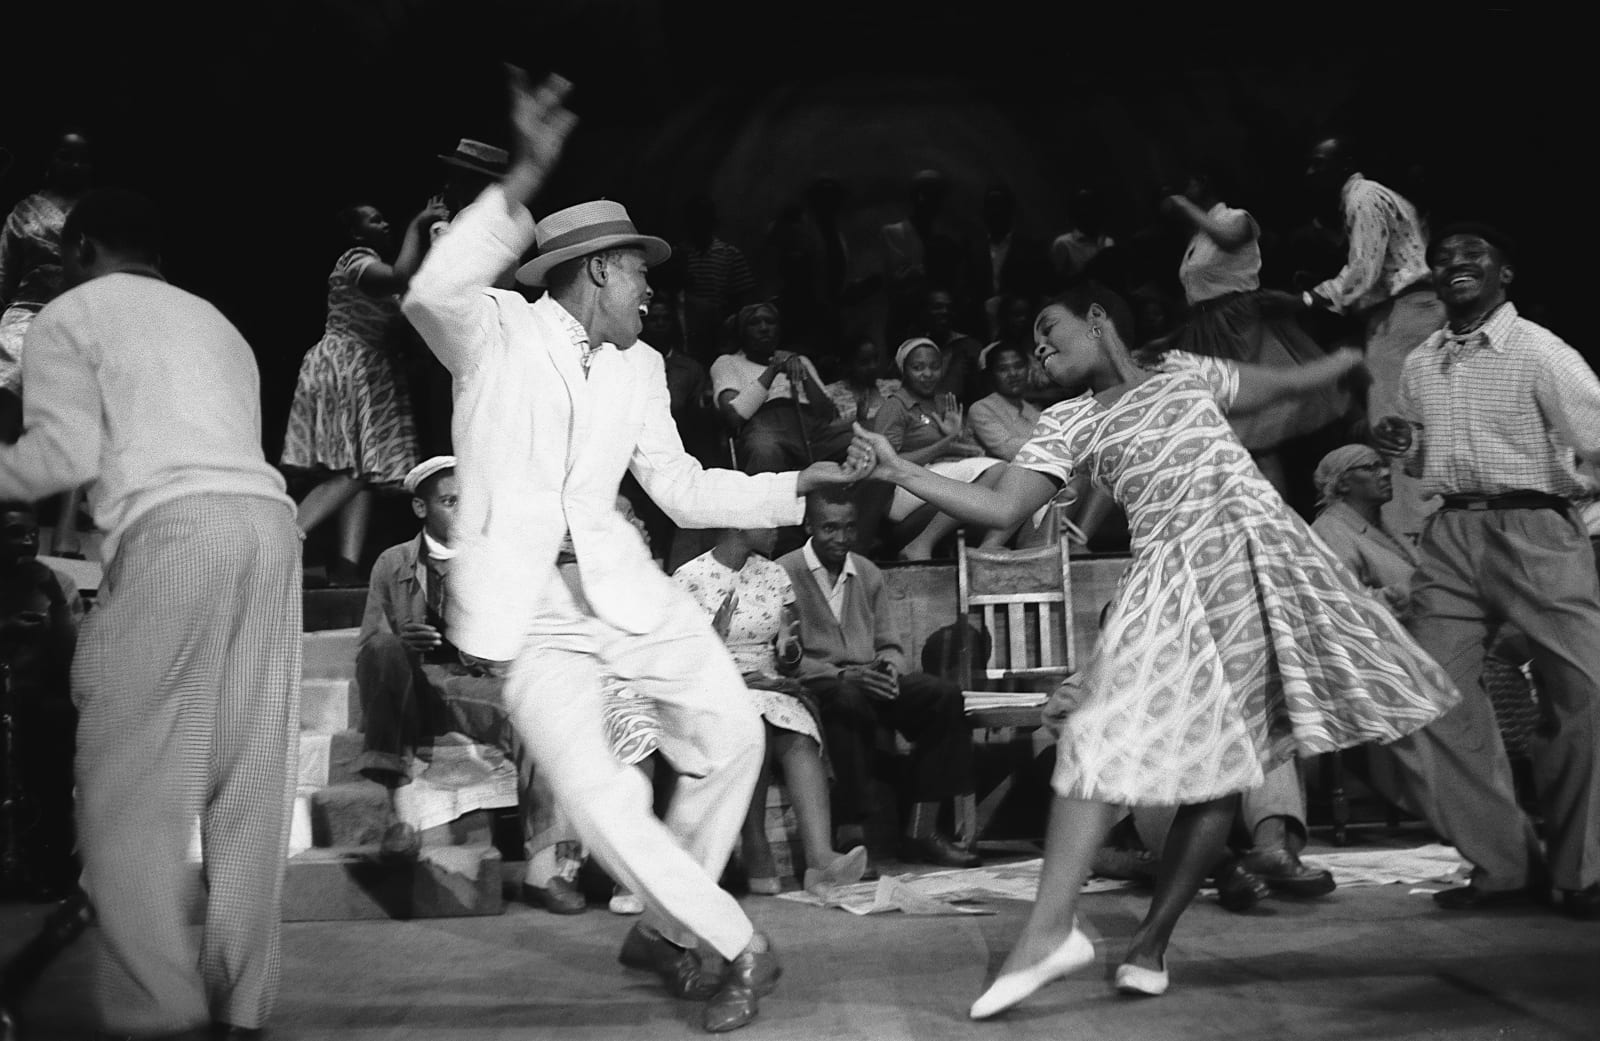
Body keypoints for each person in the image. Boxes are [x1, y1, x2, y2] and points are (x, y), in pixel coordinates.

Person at [400, 69, 871, 1035]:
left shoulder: (643, 366)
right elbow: (428, 290)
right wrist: (527, 173)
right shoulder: (492, 330)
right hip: (530, 613)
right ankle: (733, 941)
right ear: (598, 269)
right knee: (603, 792)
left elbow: (681, 485)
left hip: (627, 587)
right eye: (641, 271)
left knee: (733, 737)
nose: (655, 289)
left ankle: (664, 927)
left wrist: (793, 488)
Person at [849, 281, 1457, 1016]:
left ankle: (1150, 941)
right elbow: (1005, 506)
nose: (1038, 348)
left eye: (1049, 328)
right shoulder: (1067, 421)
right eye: (1033, 342)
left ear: (1099, 319)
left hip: (1259, 560)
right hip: (1171, 576)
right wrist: (900, 470)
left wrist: (1343, 361)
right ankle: (1050, 931)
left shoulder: (1185, 372)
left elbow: (1282, 382)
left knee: (1229, 763)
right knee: (1094, 734)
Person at [0, 188, 301, 1037]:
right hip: (268, 532)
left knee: (129, 787)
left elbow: (61, 455)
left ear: (81, 246)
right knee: (250, 781)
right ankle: (241, 1010)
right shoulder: (219, 322)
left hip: (177, 533)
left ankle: (161, 1014)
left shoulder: (72, 312)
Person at [1374, 224, 1600, 919]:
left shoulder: (1542, 353)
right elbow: (1420, 456)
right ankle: (1502, 863)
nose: (1453, 265)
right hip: (1452, 530)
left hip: (1537, 525)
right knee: (1428, 694)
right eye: (1442, 260)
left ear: (1506, 272)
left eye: (1471, 255)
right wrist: (1400, 444)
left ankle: (1582, 870)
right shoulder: (1422, 362)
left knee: (1585, 694)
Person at [355, 456, 661, 914]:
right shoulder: (394, 562)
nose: (464, 512)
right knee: (382, 649)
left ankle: (545, 868)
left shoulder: (500, 559)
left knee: (538, 708)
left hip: (477, 684)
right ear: (422, 509)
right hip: (413, 689)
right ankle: (398, 817)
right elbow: (369, 652)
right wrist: (403, 641)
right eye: (450, 501)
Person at [778, 488, 980, 869]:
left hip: (868, 677)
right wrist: (841, 673)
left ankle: (922, 829)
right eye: (830, 528)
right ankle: (852, 830)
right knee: (844, 697)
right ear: (809, 526)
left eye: (849, 528)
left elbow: (890, 644)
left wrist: (888, 670)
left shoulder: (866, 572)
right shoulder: (784, 572)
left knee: (943, 695)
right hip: (819, 684)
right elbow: (786, 657)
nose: (841, 538)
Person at [673, 526, 869, 895]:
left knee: (799, 732)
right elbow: (680, 662)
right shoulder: (688, 578)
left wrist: (789, 649)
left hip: (769, 683)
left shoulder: (774, 574)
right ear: (740, 525)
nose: (778, 530)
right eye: (769, 520)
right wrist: (714, 639)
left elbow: (790, 659)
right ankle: (755, 844)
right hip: (714, 684)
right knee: (754, 717)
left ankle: (820, 859)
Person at [281, 197, 446, 585]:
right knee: (352, 470)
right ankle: (284, 537)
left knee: (363, 472)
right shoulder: (355, 260)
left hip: (370, 370)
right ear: (356, 233)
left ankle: (346, 566)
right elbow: (400, 276)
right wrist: (417, 224)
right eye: (374, 219)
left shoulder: (379, 277)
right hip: (345, 367)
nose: (384, 223)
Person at [1160, 167, 1347, 504]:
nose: (1181, 191)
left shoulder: (1236, 218)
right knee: (1224, 438)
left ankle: (1278, 522)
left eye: (1186, 182)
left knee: (1257, 434)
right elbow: (1199, 294)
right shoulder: (1197, 238)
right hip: (1206, 329)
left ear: (1203, 181)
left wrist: (1184, 206)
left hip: (1237, 325)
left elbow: (1229, 239)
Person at [1300, 136, 1440, 535]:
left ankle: (1411, 534)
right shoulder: (1371, 197)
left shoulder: (1363, 197)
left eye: (1317, 163)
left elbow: (1364, 272)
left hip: (1404, 316)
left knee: (1394, 425)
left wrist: (1308, 299)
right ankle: (1418, 530)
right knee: (1410, 422)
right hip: (1410, 312)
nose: (1310, 173)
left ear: (1344, 163)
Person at [0, 130, 93, 555]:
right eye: (66, 156)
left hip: (79, 317)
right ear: (51, 158)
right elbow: (5, 276)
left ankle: (67, 524)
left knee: (82, 409)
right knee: (9, 392)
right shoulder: (23, 213)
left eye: (83, 158)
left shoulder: (97, 213)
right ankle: (16, 515)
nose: (74, 165)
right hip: (27, 313)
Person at [864, 337, 1013, 560]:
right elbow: (888, 463)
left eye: (934, 367)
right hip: (902, 487)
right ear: (903, 369)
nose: (927, 374)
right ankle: (921, 544)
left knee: (1012, 475)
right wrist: (944, 444)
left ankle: (989, 547)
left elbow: (961, 450)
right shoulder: (895, 406)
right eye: (918, 367)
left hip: (931, 476)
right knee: (997, 469)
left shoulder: (941, 402)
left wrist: (956, 436)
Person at [0, 501, 82, 900]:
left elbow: (71, 657)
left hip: (39, 702)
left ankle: (51, 866)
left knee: (59, 718)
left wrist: (57, 601)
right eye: (16, 532)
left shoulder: (58, 582)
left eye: (33, 532)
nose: (29, 541)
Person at [711, 301, 852, 474]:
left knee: (863, 440)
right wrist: (774, 369)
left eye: (770, 322)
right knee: (765, 450)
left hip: (813, 430)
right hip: (765, 429)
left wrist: (802, 372)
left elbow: (828, 415)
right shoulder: (728, 362)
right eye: (754, 323)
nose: (764, 328)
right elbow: (734, 416)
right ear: (742, 331)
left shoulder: (800, 360)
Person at [823, 337, 900, 427]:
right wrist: (858, 418)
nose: (873, 366)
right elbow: (825, 431)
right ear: (848, 364)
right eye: (864, 362)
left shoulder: (894, 387)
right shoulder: (831, 394)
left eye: (875, 359)